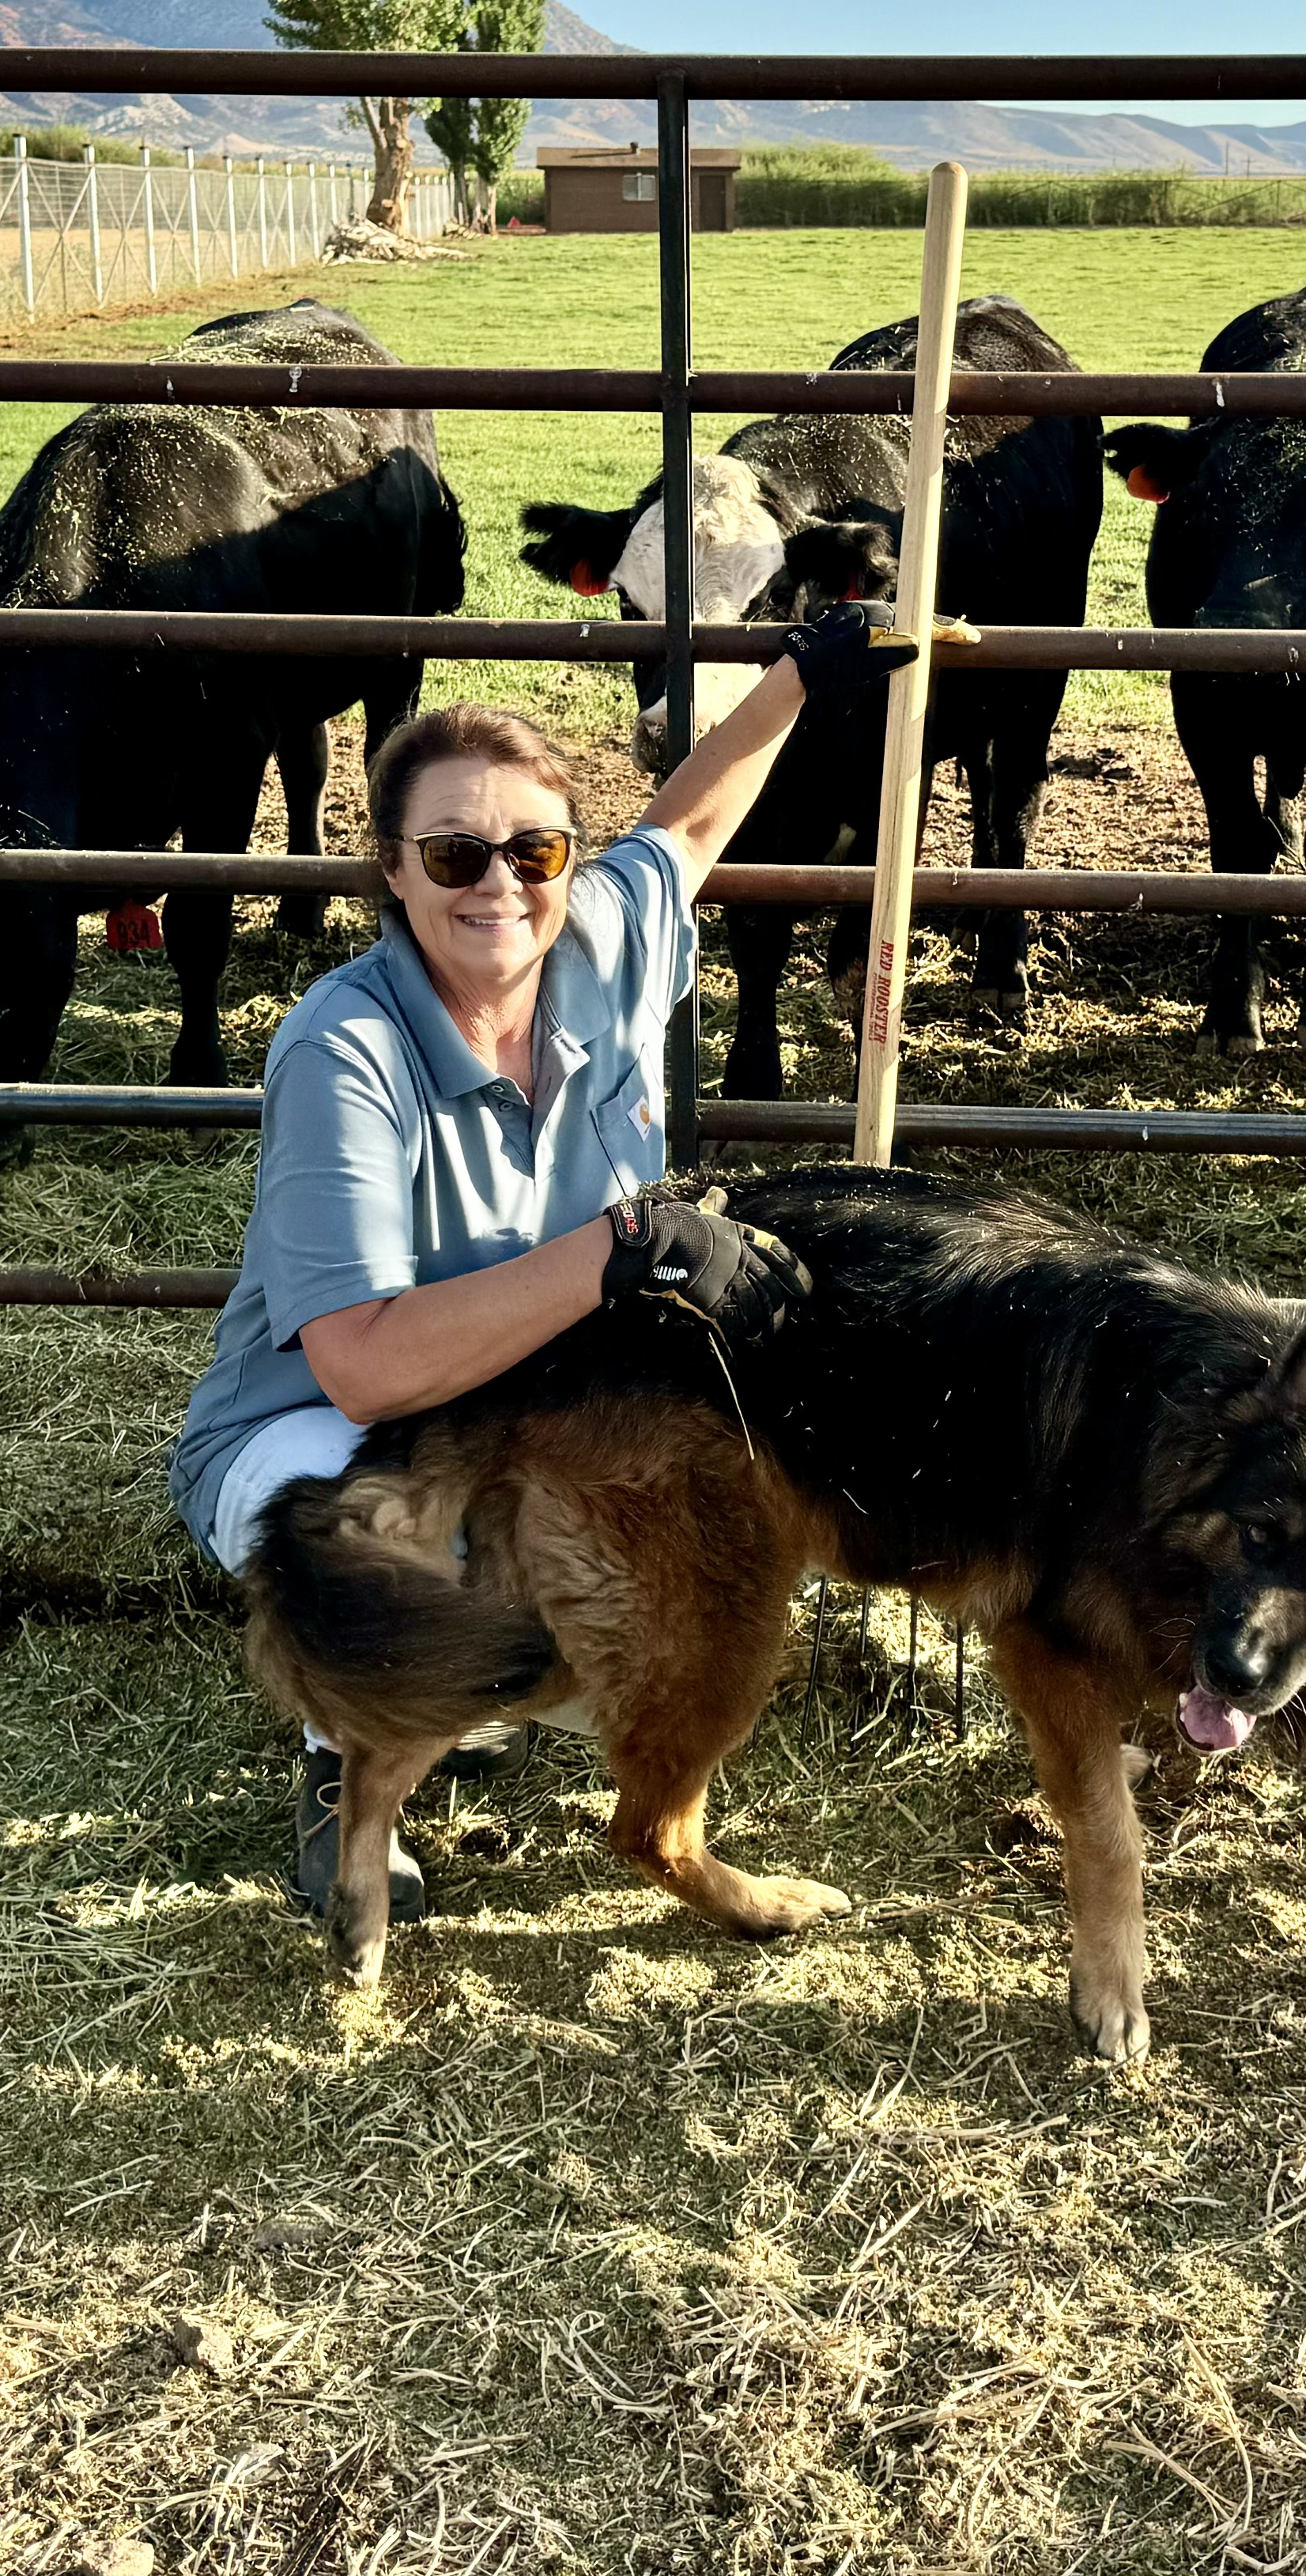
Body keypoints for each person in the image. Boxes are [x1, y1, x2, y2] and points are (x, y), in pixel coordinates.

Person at [172, 605, 913, 1917]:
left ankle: (490, 1682)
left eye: (534, 847)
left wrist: (800, 675)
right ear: (393, 872)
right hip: (315, 1431)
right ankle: (345, 1755)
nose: (499, 884)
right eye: (455, 852)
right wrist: (620, 1248)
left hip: (534, 1399)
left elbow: (682, 832)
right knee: (385, 1536)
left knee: (661, 1565)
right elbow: (359, 1366)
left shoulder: (595, 946)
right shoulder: (345, 1050)